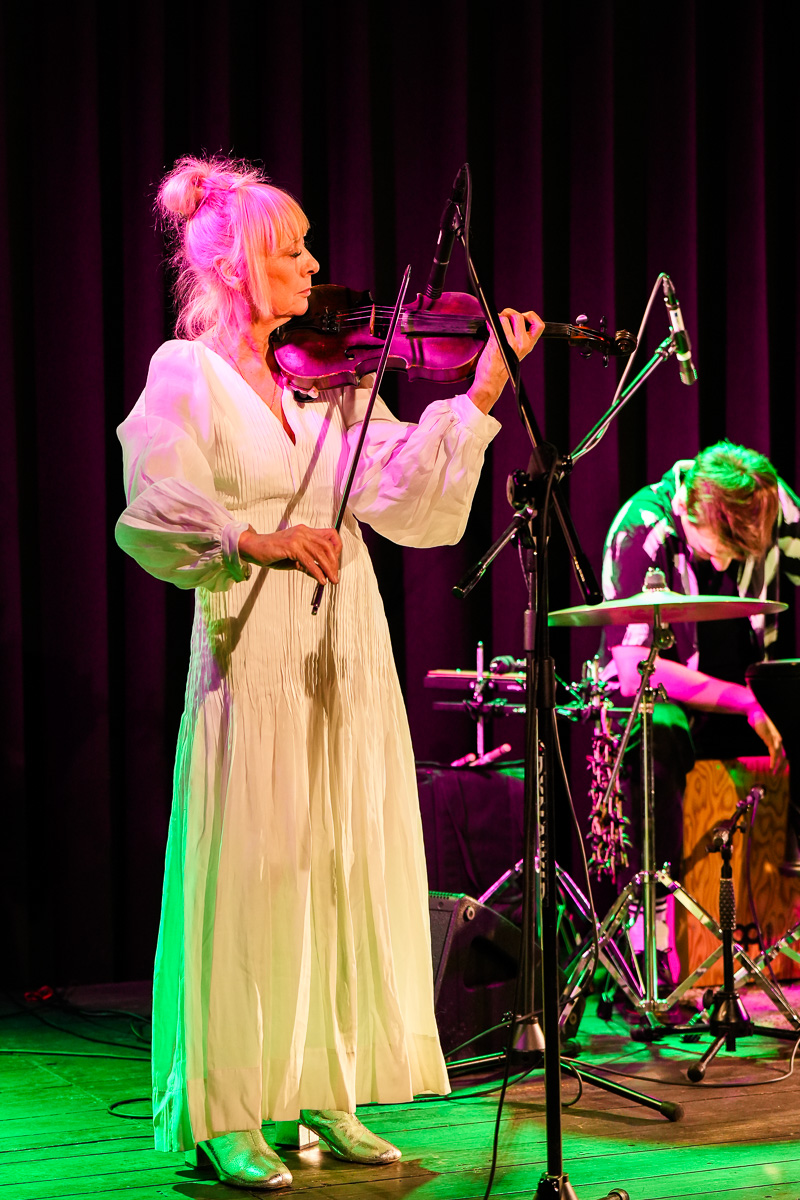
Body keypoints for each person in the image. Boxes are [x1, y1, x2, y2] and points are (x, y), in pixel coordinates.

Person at [115, 155, 543, 1190]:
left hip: (344, 653)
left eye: (310, 249)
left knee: (337, 865)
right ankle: (228, 1112)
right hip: (251, 653)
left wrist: (483, 390)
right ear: (234, 267)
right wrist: (252, 540)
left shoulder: (332, 380)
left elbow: (407, 499)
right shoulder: (187, 374)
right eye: (293, 250)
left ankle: (328, 1089)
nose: (315, 267)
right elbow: (153, 506)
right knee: (254, 874)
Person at [599, 442, 800, 912]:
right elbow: (634, 671)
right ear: (688, 509)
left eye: (739, 554)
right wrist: (747, 703)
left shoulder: (769, 502)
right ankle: (649, 919)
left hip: (747, 683)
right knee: (655, 733)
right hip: (667, 700)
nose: (725, 565)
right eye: (716, 550)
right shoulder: (640, 530)